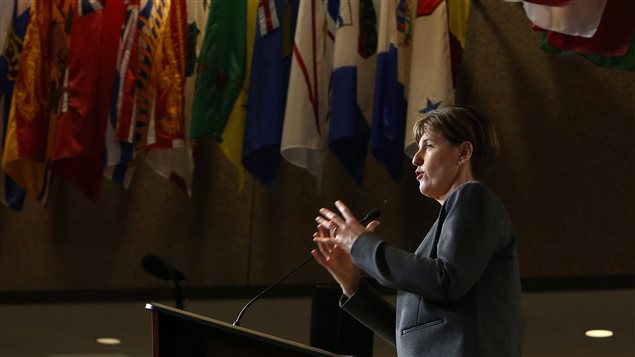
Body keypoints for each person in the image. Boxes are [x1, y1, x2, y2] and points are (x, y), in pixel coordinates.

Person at [312, 106, 524, 356]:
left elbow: (445, 280)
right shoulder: (448, 221)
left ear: (463, 152)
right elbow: (413, 335)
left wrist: (362, 245)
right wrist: (353, 285)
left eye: (429, 146)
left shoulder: (472, 195)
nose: (416, 158)